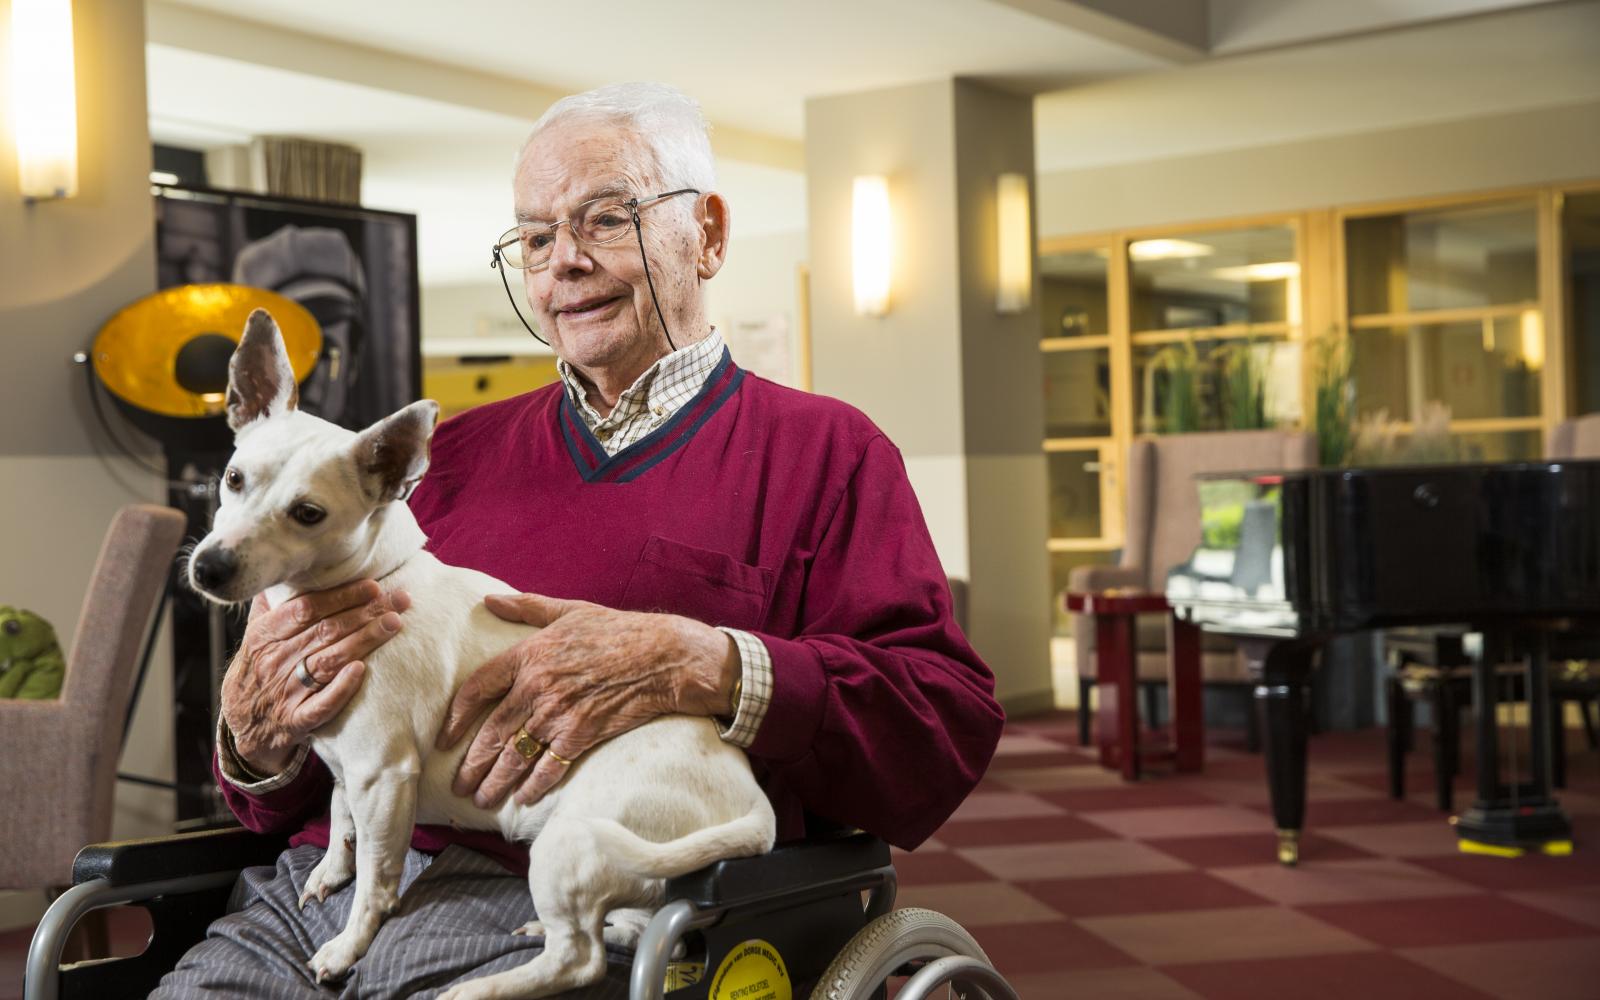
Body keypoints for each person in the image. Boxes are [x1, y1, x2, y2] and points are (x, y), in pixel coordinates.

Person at [156, 82, 1004, 999]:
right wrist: (252, 738)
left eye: (604, 220)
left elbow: (942, 727)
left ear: (709, 235)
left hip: (585, 894)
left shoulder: (825, 454)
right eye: (533, 237)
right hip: (324, 881)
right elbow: (272, 789)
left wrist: (714, 663)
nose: (562, 262)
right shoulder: (430, 466)